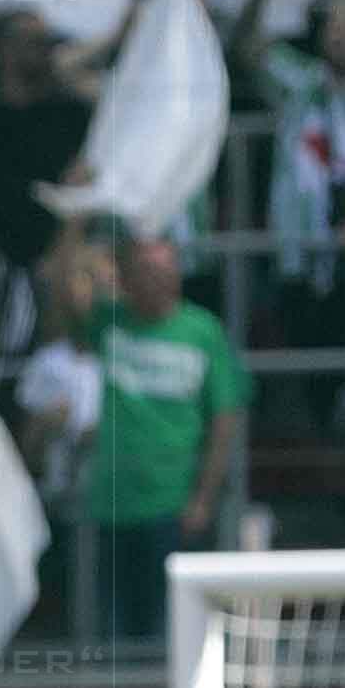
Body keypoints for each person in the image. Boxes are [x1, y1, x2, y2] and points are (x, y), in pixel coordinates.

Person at [81, 225, 246, 646]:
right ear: (127, 277)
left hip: (173, 507)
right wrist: (75, 220)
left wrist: (203, 498)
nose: (155, 278)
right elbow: (65, 293)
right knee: (114, 641)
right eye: (144, 269)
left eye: (163, 268)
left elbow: (225, 418)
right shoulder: (110, 322)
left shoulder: (203, 331)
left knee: (172, 635)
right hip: (112, 504)